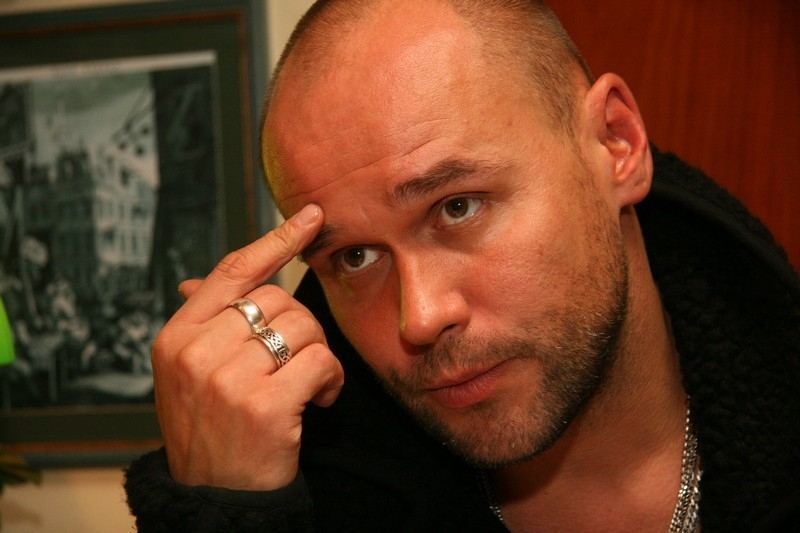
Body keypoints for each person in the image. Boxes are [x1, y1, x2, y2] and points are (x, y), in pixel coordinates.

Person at [124, 0, 800, 531]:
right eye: (354, 257)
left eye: (457, 207)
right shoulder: (325, 497)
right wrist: (222, 511)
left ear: (615, 143)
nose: (419, 318)